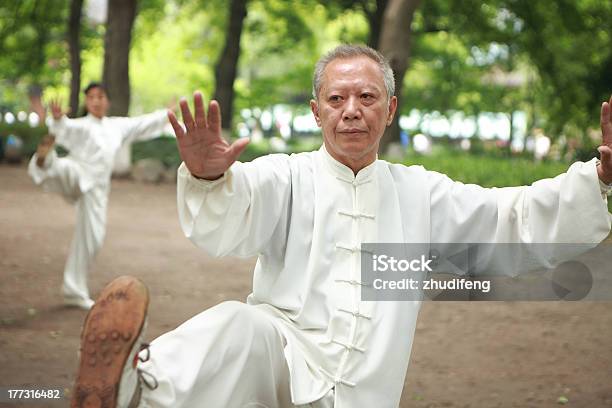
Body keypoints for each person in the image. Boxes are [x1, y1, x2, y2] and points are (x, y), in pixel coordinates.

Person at [69, 45, 612, 408]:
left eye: (367, 97)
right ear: (316, 110)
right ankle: (127, 393)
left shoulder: (423, 192)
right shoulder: (285, 176)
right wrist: (209, 176)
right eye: (336, 98)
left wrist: (600, 181)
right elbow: (228, 220)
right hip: (281, 369)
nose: (351, 110)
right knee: (240, 325)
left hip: (366, 392)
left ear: (391, 108)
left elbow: (511, 219)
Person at [28, 82, 172, 310]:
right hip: (76, 173)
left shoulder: (116, 126)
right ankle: (45, 162)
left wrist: (166, 114)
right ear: (87, 101)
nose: (96, 101)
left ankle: (73, 291)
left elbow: (141, 124)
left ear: (107, 101)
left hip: (96, 189)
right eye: (91, 97)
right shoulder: (81, 125)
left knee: (92, 238)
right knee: (62, 169)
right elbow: (62, 128)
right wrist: (56, 120)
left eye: (100, 96)